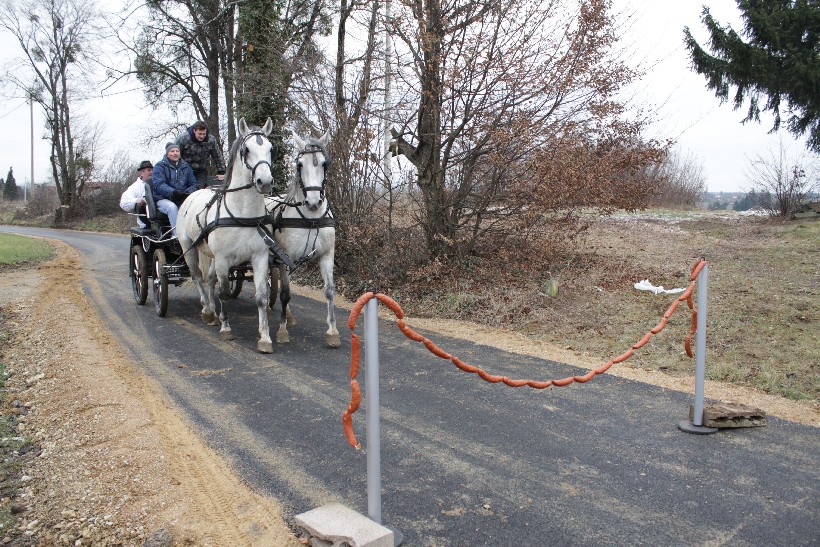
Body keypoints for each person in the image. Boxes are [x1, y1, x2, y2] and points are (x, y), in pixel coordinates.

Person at [152, 142, 199, 237]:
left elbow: (194, 184)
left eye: (177, 151)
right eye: (172, 151)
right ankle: (177, 236)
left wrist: (186, 193)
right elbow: (159, 184)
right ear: (167, 153)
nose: (175, 153)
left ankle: (194, 234)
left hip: (182, 197)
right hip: (163, 199)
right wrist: (173, 192)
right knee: (172, 207)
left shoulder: (186, 167)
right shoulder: (159, 166)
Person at [175, 120, 226, 188]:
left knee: (199, 190)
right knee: (184, 188)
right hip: (185, 169)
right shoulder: (184, 138)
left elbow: (217, 156)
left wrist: (221, 172)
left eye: (203, 134)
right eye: (199, 134)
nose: (202, 136)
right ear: (194, 131)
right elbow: (173, 153)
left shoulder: (211, 140)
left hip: (201, 170)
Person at [119, 160, 153, 228]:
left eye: (152, 170)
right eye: (149, 170)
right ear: (141, 173)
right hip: (145, 224)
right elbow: (123, 202)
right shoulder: (135, 186)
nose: (151, 172)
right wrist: (137, 200)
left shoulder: (158, 184)